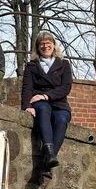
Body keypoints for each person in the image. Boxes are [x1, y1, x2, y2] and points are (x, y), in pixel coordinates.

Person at [21, 31, 72, 169]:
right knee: (43, 108)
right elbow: (27, 87)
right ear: (38, 47)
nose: (45, 46)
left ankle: (48, 161)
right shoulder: (32, 66)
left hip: (59, 102)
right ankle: (49, 154)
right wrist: (27, 106)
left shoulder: (64, 64)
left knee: (62, 119)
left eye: (48, 43)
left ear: (54, 45)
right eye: (42, 43)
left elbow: (66, 87)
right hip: (40, 101)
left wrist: (47, 96)